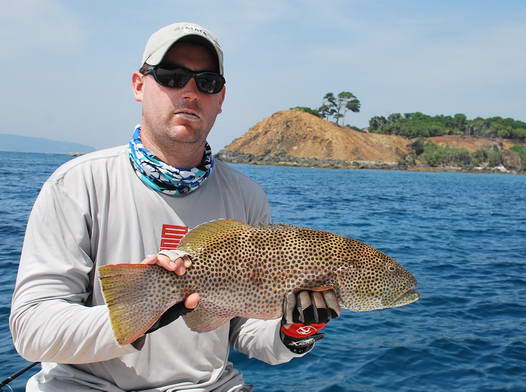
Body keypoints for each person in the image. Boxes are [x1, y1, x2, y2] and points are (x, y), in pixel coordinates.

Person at [10, 22, 340, 392]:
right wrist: (144, 314)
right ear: (139, 85)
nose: (190, 92)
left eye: (207, 82)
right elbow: (32, 330)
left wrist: (295, 332)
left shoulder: (246, 196)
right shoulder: (76, 183)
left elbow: (243, 328)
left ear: (221, 98)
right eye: (171, 76)